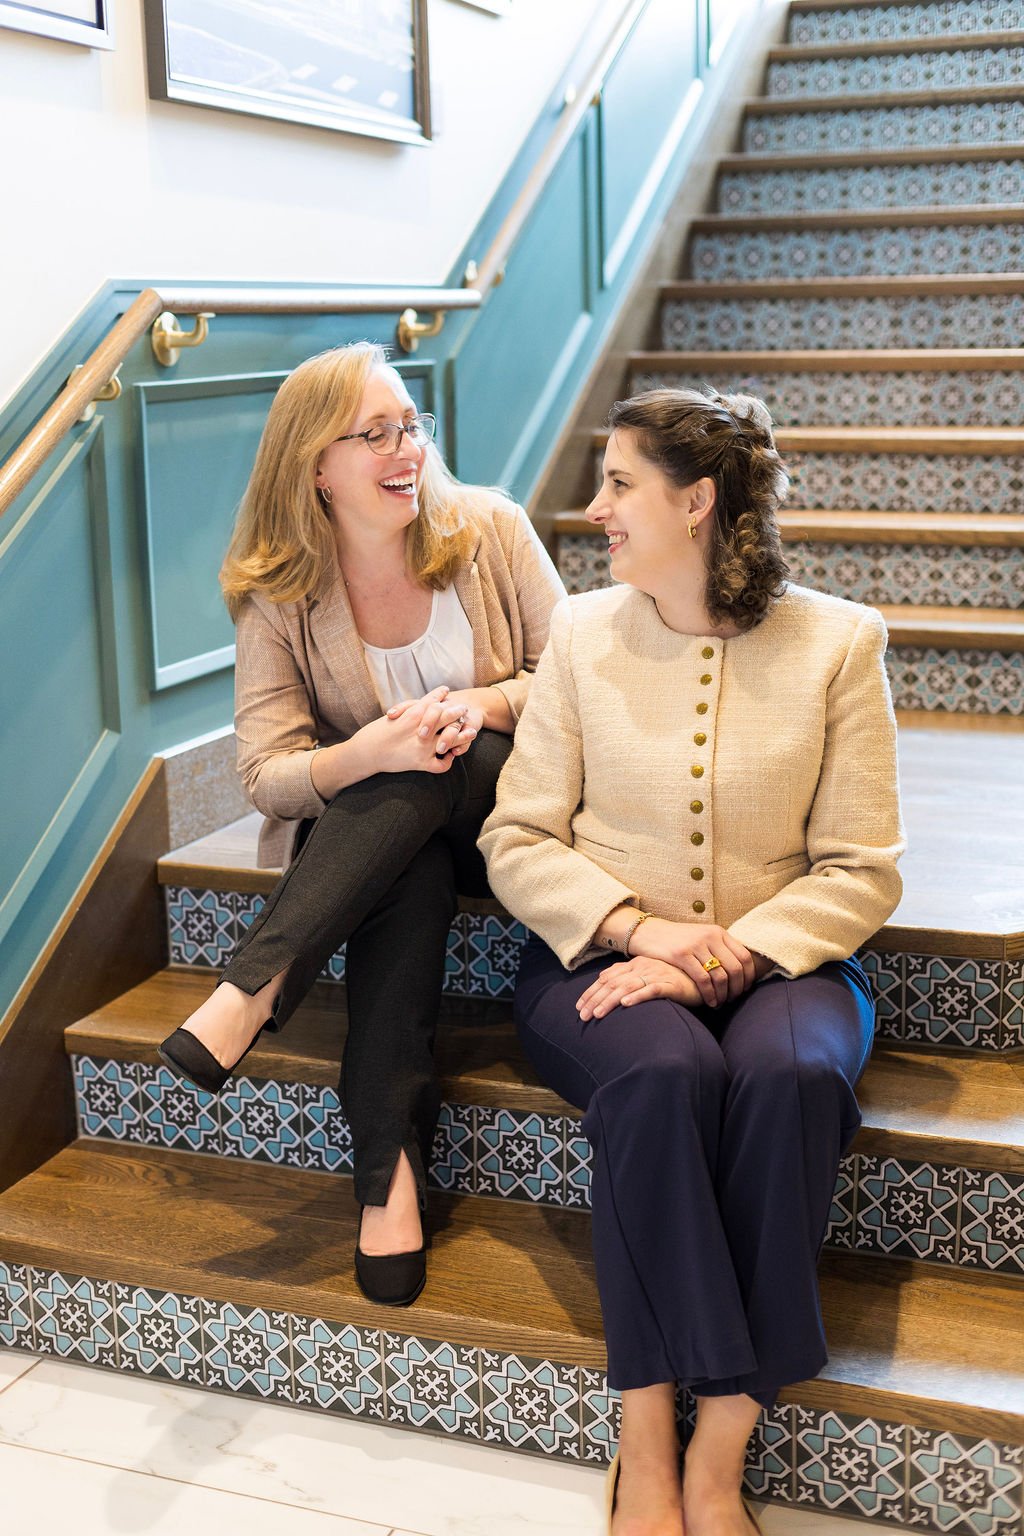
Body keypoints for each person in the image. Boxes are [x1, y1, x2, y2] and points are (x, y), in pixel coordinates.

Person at [478, 387, 905, 1536]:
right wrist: (639, 934)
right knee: (664, 1076)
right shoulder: (577, 632)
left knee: (792, 1078)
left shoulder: (838, 641)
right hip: (595, 960)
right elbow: (515, 838)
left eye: (618, 483)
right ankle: (644, 1424)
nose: (594, 507)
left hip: (795, 965)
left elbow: (862, 869)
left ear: (697, 499)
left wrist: (733, 954)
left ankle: (720, 1443)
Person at [158, 341, 565, 1307]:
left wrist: (482, 707)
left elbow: (577, 683)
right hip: (390, 833)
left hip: (502, 805)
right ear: (317, 468)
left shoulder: (492, 531)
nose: (405, 449)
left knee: (433, 759)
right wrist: (364, 756)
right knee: (407, 847)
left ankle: (254, 987)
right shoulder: (279, 592)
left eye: (410, 427)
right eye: (373, 433)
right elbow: (267, 774)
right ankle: (388, 1183)